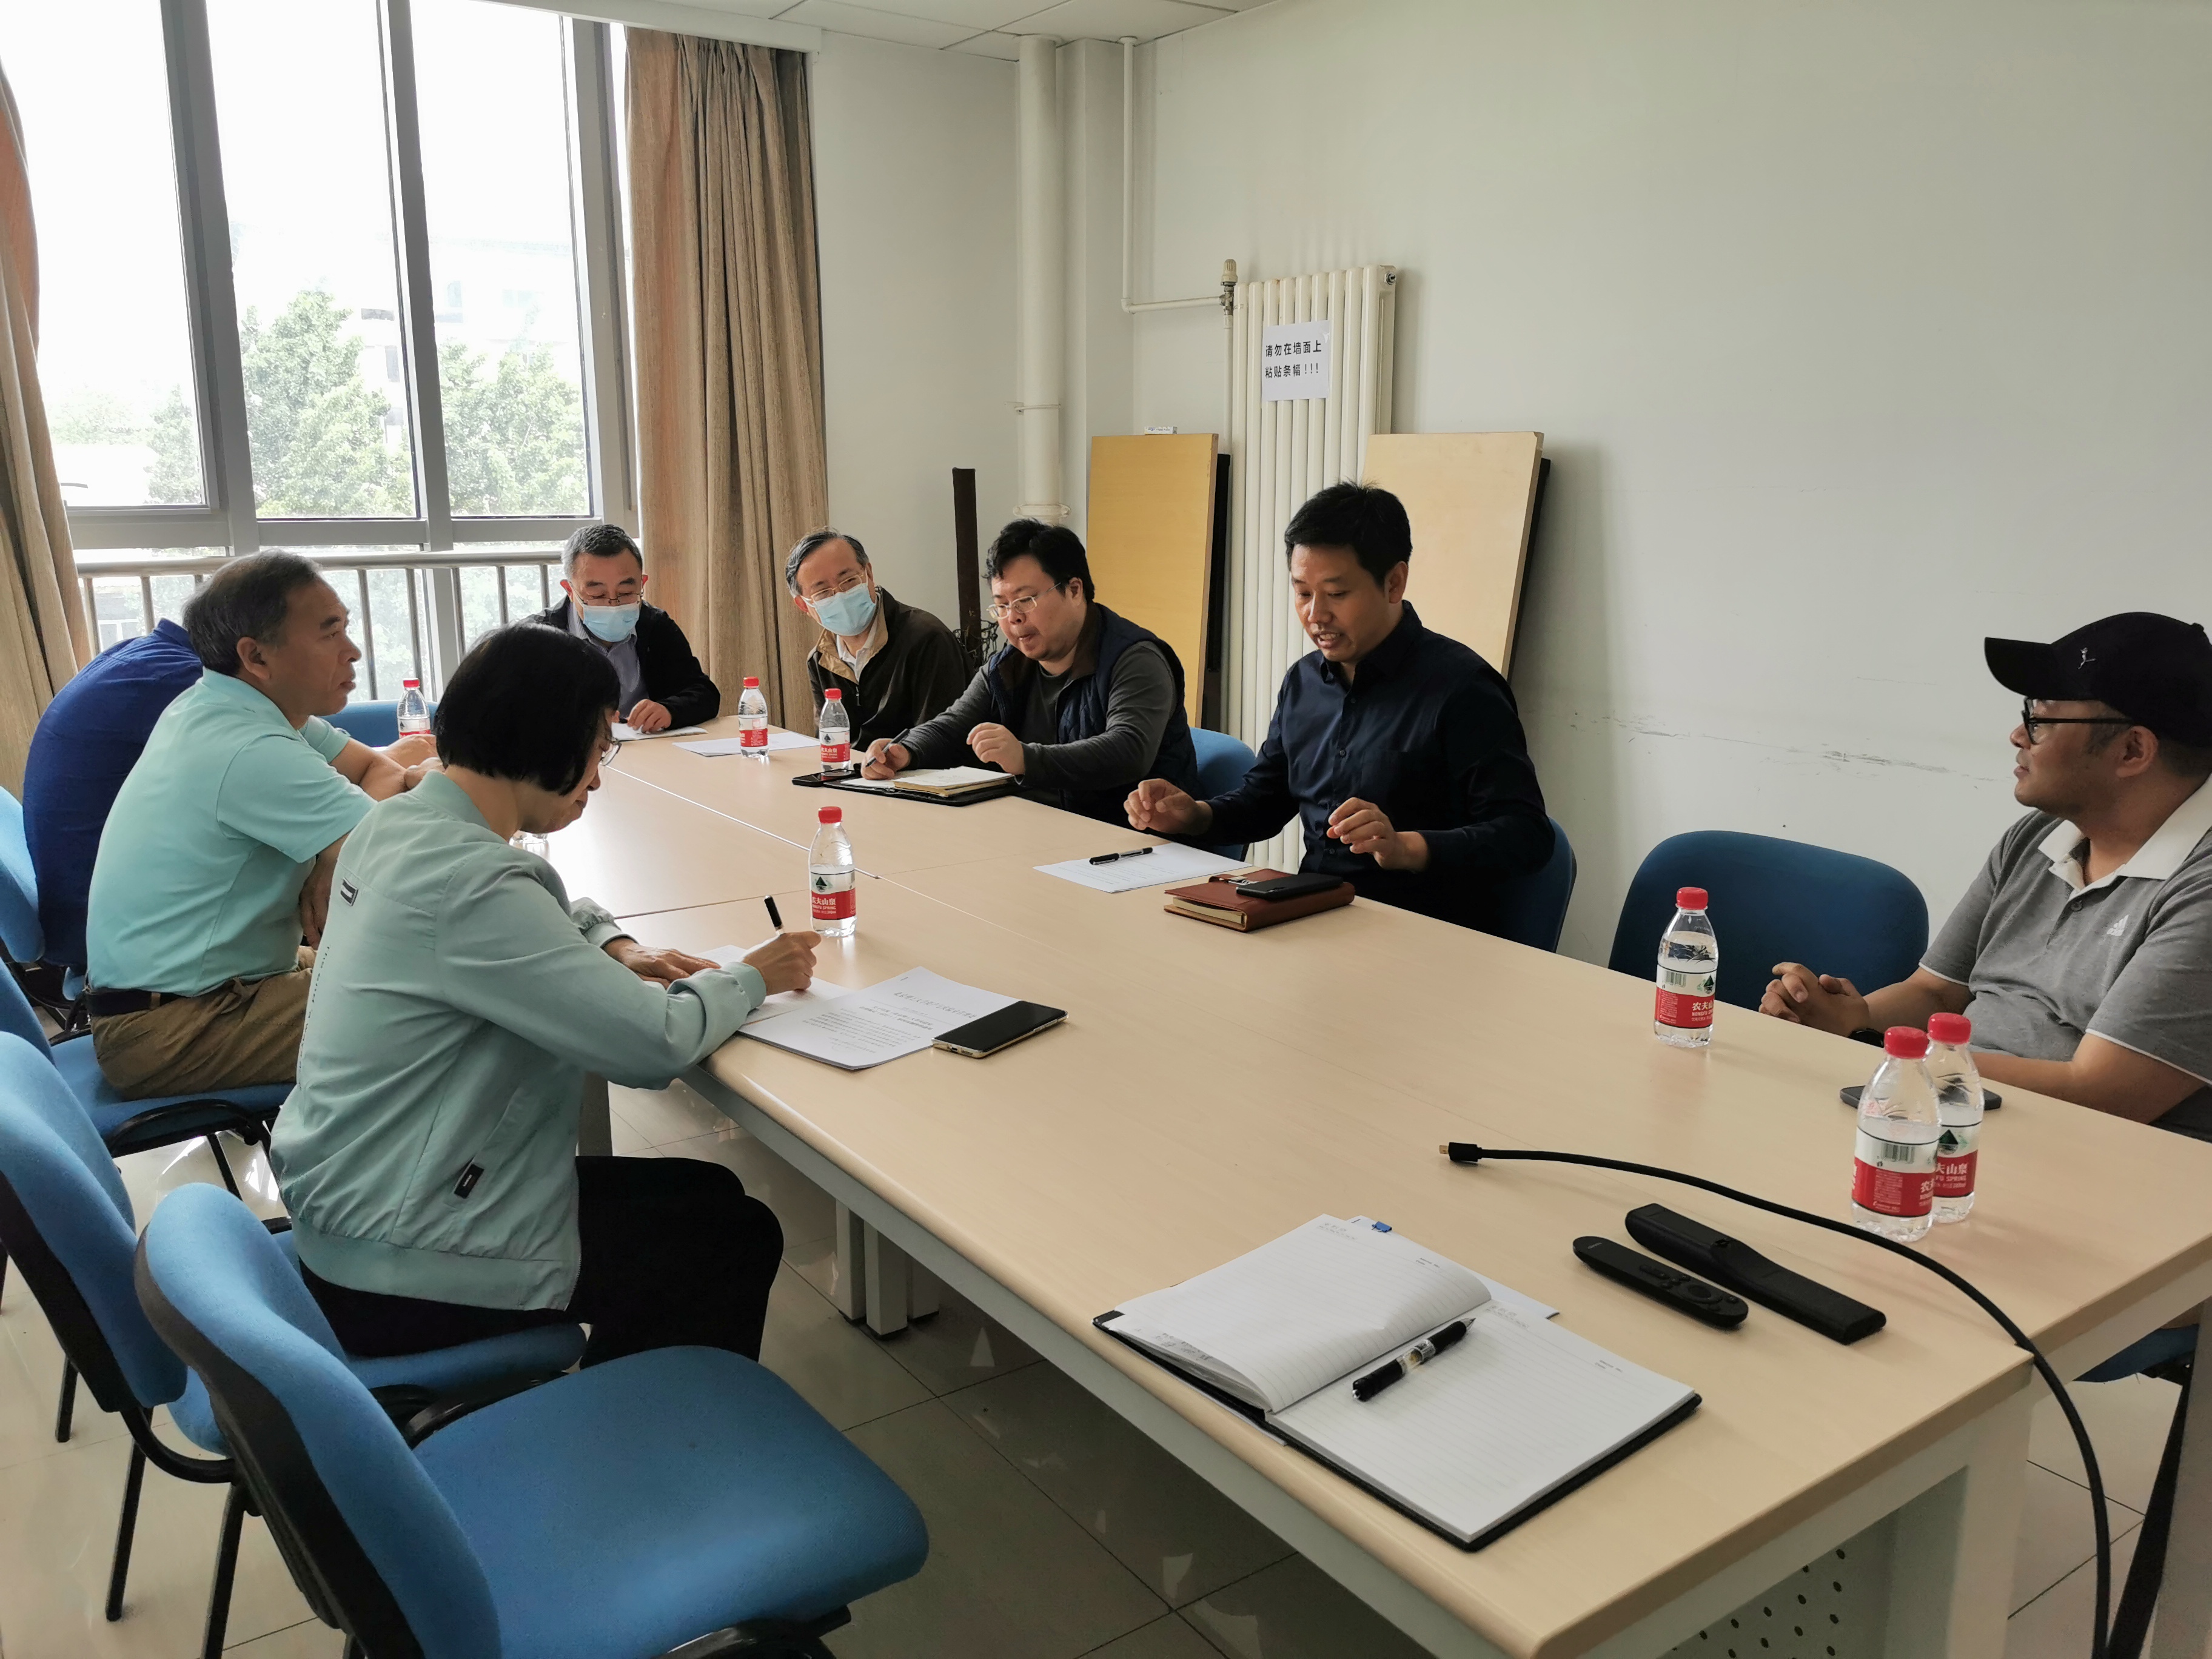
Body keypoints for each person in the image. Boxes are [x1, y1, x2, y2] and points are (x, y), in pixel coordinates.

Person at [269, 623, 818, 1364]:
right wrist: (751, 977)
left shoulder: (397, 823)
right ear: (548, 741)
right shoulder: (474, 883)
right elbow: (653, 1043)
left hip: (355, 1199)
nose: (598, 777)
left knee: (711, 1193)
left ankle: (630, 1395)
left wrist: (614, 943)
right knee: (732, 1237)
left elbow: (525, 919)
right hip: (402, 1263)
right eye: (598, 748)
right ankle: (647, 1426)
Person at [1761, 612, 2212, 1141]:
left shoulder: (2199, 887)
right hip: (1957, 1109)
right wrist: (1839, 1019)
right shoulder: (2038, 837)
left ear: (2133, 751)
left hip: (2088, 1149)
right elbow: (1936, 993)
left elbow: (2101, 1092)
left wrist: (1874, 1047)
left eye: (2041, 720)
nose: (2018, 735)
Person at [1125, 482, 1552, 933]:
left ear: (1394, 582)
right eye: (1303, 593)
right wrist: (1195, 815)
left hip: (1424, 932)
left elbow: (1527, 835)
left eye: (1337, 593)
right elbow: (1264, 801)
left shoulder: (1464, 689)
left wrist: (1406, 847)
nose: (1316, 615)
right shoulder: (1304, 682)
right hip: (1316, 915)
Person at [83, 553, 434, 1098]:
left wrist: (335, 853)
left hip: (206, 991)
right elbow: (413, 854)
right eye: (330, 633)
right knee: (453, 999)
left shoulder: (227, 705)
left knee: (433, 963)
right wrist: (356, 837)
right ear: (256, 656)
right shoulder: (247, 746)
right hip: (181, 1026)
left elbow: (377, 771)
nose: (353, 651)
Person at [863, 519, 1199, 824]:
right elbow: (955, 725)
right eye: (1002, 606)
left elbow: (1128, 751)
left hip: (1128, 839)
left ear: (1075, 590)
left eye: (1026, 600)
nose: (1013, 617)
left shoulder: (1136, 659)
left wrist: (1025, 758)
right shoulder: (1009, 664)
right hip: (1037, 829)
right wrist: (906, 750)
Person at [23, 618, 204, 981]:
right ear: (255, 649)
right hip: (113, 930)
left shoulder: (144, 653)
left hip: (74, 908)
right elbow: (289, 773)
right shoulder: (186, 681)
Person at [525, 521, 719, 734]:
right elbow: (519, 715)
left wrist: (669, 710)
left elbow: (704, 693)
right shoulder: (539, 639)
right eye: (597, 594)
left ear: (642, 584)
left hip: (646, 746)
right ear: (570, 590)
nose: (613, 605)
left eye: (626, 592)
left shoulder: (655, 625)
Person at [788, 528, 970, 749]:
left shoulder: (927, 639)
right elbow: (830, 744)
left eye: (849, 580)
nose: (840, 595)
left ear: (869, 574)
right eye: (823, 592)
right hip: (854, 770)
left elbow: (941, 740)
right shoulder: (820, 660)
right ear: (804, 606)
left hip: (916, 768)